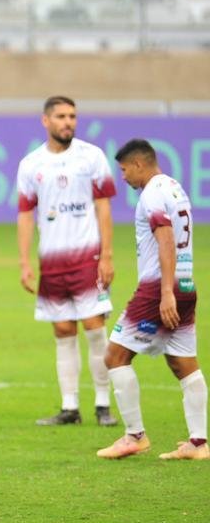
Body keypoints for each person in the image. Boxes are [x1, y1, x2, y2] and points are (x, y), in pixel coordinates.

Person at [97, 139, 205, 461]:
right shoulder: (175, 188)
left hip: (161, 288)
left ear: (139, 164)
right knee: (182, 361)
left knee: (115, 356)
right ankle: (198, 444)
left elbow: (166, 238)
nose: (124, 177)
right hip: (186, 283)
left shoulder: (152, 194)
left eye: (124, 170)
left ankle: (134, 435)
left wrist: (166, 292)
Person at [16, 96, 118, 427]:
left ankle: (103, 405)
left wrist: (107, 254)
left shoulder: (91, 157)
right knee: (62, 330)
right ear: (46, 121)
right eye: (61, 116)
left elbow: (103, 206)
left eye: (72, 116)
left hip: (87, 257)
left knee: (94, 327)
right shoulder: (31, 164)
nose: (68, 122)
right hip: (53, 262)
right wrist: (24, 261)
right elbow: (25, 214)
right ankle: (69, 407)